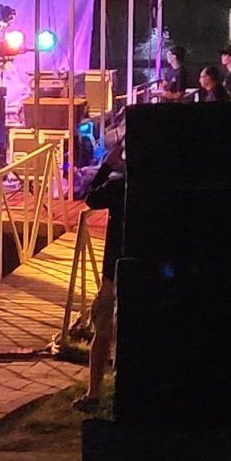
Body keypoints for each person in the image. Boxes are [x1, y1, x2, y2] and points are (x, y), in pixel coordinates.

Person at [77, 161, 125, 409]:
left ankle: (94, 394)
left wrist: (108, 166)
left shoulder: (119, 187)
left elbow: (91, 197)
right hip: (137, 268)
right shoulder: (153, 189)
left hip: (112, 271)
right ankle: (115, 393)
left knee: (103, 329)